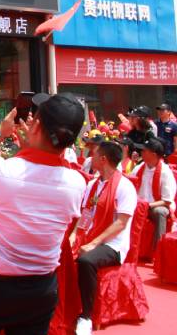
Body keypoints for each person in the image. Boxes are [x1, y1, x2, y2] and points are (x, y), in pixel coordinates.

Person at [0, 93, 87, 335]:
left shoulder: (0, 172)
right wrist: (30, 149)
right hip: (40, 290)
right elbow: (41, 172)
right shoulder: (76, 184)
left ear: (36, 126)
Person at [72, 141, 137, 335]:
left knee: (86, 261)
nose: (90, 157)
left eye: (94, 154)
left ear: (103, 159)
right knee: (60, 250)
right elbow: (86, 213)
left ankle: (86, 316)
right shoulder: (93, 184)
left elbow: (121, 224)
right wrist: (74, 234)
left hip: (112, 244)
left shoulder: (125, 186)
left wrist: (93, 243)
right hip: (90, 235)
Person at [132, 137, 176, 251]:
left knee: (160, 212)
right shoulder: (139, 168)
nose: (141, 152)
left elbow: (167, 201)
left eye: (144, 151)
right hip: (140, 204)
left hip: (156, 205)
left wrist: (147, 205)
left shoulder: (165, 172)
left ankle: (158, 249)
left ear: (153, 154)